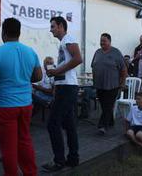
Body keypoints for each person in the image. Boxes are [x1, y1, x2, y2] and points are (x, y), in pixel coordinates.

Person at [0, 17, 42, 176]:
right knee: (25, 140)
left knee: (8, 147)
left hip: (6, 106)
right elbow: (38, 76)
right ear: (19, 32)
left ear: (3, 32)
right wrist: (21, 78)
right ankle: (30, 173)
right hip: (26, 104)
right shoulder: (30, 51)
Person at [42, 16, 83, 172]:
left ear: (60, 26)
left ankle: (59, 161)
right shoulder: (64, 42)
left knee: (53, 124)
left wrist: (57, 70)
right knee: (69, 125)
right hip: (65, 87)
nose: (51, 29)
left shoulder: (68, 38)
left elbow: (78, 58)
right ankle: (73, 159)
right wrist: (55, 72)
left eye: (52, 26)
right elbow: (69, 62)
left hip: (67, 88)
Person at [91, 33, 127, 135]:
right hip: (99, 85)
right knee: (104, 105)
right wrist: (94, 81)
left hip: (112, 85)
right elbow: (93, 66)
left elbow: (123, 69)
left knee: (108, 105)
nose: (102, 42)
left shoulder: (116, 52)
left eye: (104, 41)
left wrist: (123, 82)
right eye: (101, 40)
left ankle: (102, 126)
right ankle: (110, 121)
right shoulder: (97, 52)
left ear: (109, 42)